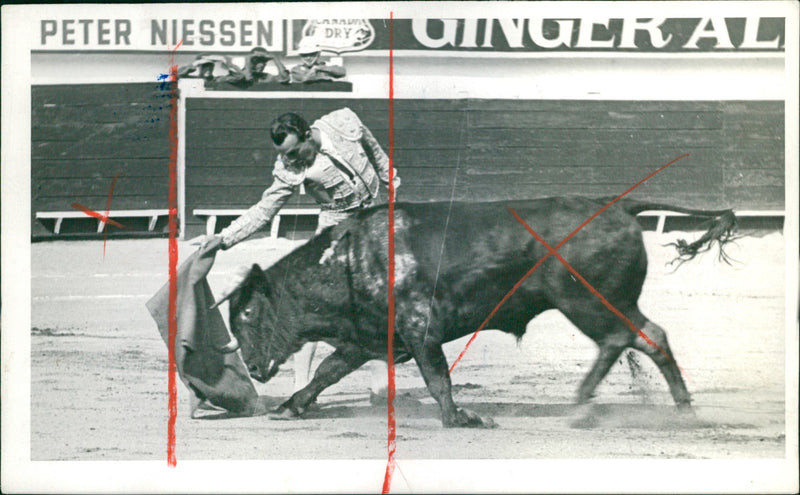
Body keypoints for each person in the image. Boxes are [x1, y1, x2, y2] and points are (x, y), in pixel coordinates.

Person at [203, 107, 400, 405]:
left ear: (309, 134)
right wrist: (224, 238)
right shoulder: (289, 168)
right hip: (336, 229)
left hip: (376, 220)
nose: (289, 160)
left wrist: (389, 177)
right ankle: (301, 383)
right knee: (314, 308)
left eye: (294, 152)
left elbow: (371, 146)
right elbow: (265, 209)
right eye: (284, 154)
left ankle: (380, 386)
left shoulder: (343, 121)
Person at [218, 47, 289, 87]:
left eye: (263, 61)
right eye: (256, 61)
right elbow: (248, 77)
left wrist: (275, 58)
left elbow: (284, 78)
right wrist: (248, 58)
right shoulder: (238, 74)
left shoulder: (266, 77)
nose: (261, 64)